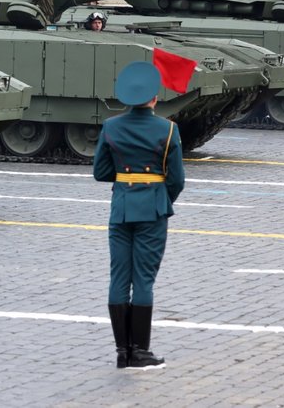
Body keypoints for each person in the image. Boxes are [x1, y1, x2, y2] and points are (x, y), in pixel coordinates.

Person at [93, 61, 185, 370]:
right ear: (155, 98)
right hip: (153, 209)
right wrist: (160, 198)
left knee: (119, 277)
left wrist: (125, 182)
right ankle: (140, 351)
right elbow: (177, 180)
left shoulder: (111, 127)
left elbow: (101, 172)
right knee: (144, 279)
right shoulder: (168, 129)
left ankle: (122, 351)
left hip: (121, 209)